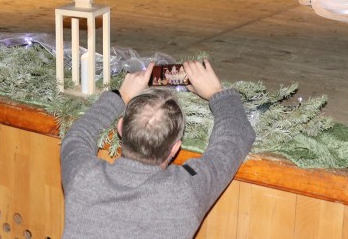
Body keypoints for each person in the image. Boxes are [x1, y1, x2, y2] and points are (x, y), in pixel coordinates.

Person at [60, 59, 255, 238]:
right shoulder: (184, 189)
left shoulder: (83, 177)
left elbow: (77, 136)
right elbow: (235, 137)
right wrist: (216, 93)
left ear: (121, 128)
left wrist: (121, 96)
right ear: (175, 148)